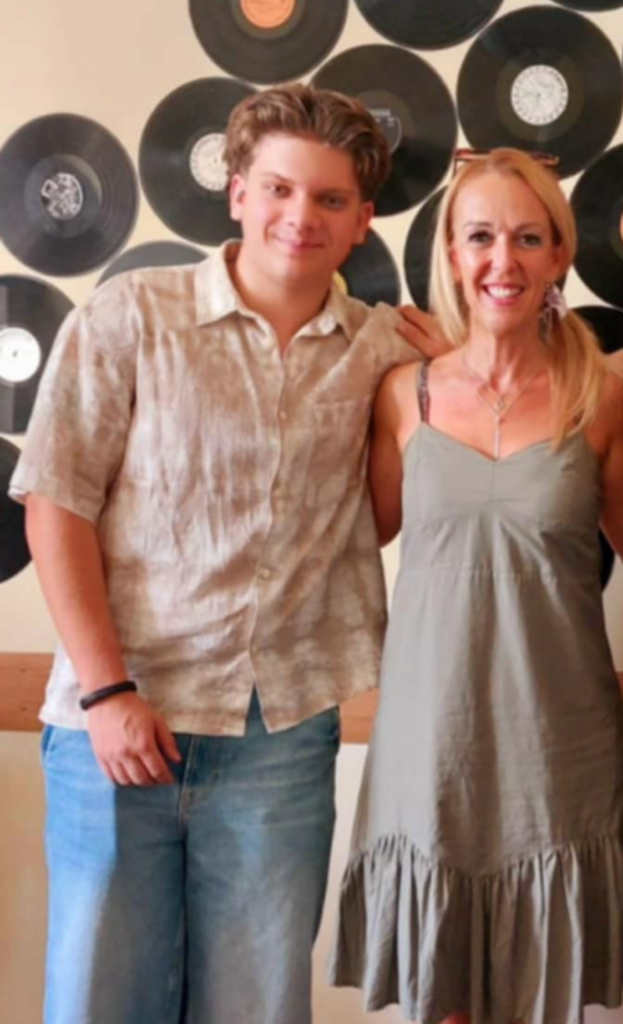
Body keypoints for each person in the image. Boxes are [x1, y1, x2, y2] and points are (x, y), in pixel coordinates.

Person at [10, 84, 442, 1024]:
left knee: (256, 1006)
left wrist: (444, 385)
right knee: (98, 1002)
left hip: (277, 741)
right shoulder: (131, 315)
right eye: (280, 188)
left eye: (330, 198)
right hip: (114, 721)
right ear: (239, 192)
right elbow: (55, 505)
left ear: (362, 221)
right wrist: (107, 693)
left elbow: (373, 521)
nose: (301, 215)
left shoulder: (379, 353)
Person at [329, 148, 623, 1024]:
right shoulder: (402, 395)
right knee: (442, 1000)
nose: (501, 260)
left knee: (542, 999)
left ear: (560, 256)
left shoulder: (600, 399)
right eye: (479, 237)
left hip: (557, 745)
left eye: (527, 238)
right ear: (450, 251)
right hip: (430, 743)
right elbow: (349, 535)